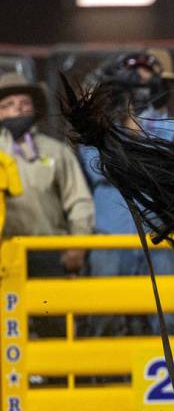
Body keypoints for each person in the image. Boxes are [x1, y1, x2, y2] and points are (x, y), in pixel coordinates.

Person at [79, 54, 174, 335]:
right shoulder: (99, 126)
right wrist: (119, 122)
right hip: (110, 228)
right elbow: (95, 167)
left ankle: (166, 373)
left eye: (146, 76)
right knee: (105, 311)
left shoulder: (171, 126)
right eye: (133, 77)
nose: (139, 84)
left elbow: (165, 169)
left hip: (156, 230)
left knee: (163, 314)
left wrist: (135, 132)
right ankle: (104, 374)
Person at [0, 72, 94, 277]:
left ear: (34, 108)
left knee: (52, 309)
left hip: (50, 250)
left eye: (24, 102)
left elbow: (79, 200)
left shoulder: (57, 151)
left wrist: (78, 244)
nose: (17, 108)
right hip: (4, 253)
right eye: (7, 104)